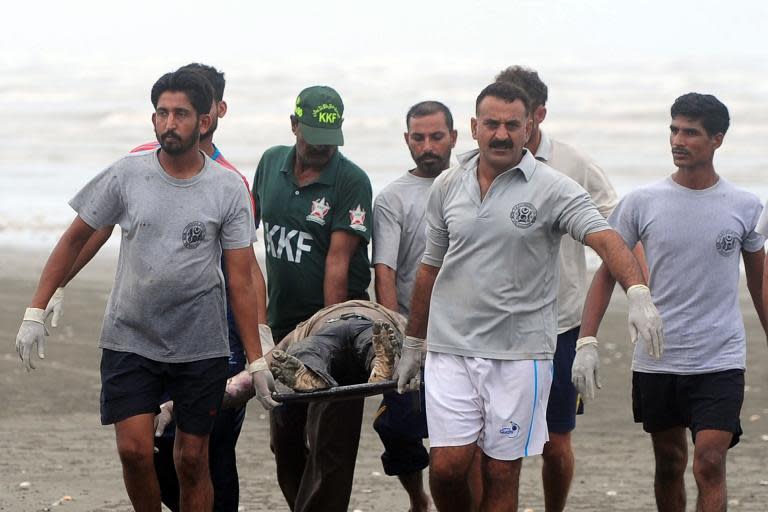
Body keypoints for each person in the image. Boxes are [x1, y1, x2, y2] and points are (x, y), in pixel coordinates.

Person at [394, 81, 663, 512]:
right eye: (491, 124)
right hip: (450, 350)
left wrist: (637, 292)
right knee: (446, 468)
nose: (501, 134)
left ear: (529, 127)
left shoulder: (553, 188)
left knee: (501, 472)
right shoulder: (448, 185)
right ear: (474, 128)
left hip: (519, 355)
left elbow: (606, 238)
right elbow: (429, 268)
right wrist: (412, 342)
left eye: (512, 125)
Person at [14, 69, 276, 512]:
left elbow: (241, 275)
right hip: (130, 337)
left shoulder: (228, 186)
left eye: (180, 114)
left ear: (204, 121)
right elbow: (77, 237)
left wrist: (257, 355)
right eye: (161, 113)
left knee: (192, 459)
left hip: (200, 345)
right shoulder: (127, 172)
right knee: (135, 452)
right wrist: (37, 306)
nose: (168, 123)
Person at [572, 93, 767, 512]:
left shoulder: (745, 207)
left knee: (710, 462)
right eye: (674, 130)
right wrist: (587, 341)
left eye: (690, 132)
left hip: (720, 356)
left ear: (717, 139)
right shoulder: (642, 202)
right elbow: (608, 271)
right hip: (658, 356)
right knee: (670, 461)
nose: (678, 140)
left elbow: (759, 284)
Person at [494, 65, 618, 512]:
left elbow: (617, 230)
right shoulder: (479, 163)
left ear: (538, 114)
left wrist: (641, 294)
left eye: (518, 116)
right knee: (494, 441)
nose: (508, 128)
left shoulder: (573, 164)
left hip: (560, 322)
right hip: (497, 324)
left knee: (556, 439)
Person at [251, 85, 373, 512]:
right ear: (293, 125)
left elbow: (338, 263)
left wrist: (326, 336)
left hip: (339, 326)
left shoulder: (351, 180)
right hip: (284, 324)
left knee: (331, 447)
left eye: (329, 141)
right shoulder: (269, 164)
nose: (321, 149)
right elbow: (243, 235)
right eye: (312, 138)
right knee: (284, 439)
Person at [372, 100, 457, 512]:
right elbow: (384, 269)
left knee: (456, 434)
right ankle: (417, 498)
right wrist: (396, 334)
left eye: (436, 137)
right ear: (407, 140)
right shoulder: (393, 198)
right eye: (418, 138)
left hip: (463, 333)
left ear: (454, 138)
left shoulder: (472, 184)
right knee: (399, 425)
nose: (427, 146)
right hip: (412, 333)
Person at [222, 299, 405, 408]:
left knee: (305, 350)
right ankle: (379, 366)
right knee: (373, 344)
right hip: (371, 322)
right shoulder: (386, 315)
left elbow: (269, 359)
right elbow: (418, 344)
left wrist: (231, 388)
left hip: (325, 328)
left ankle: (312, 373)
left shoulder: (307, 324)